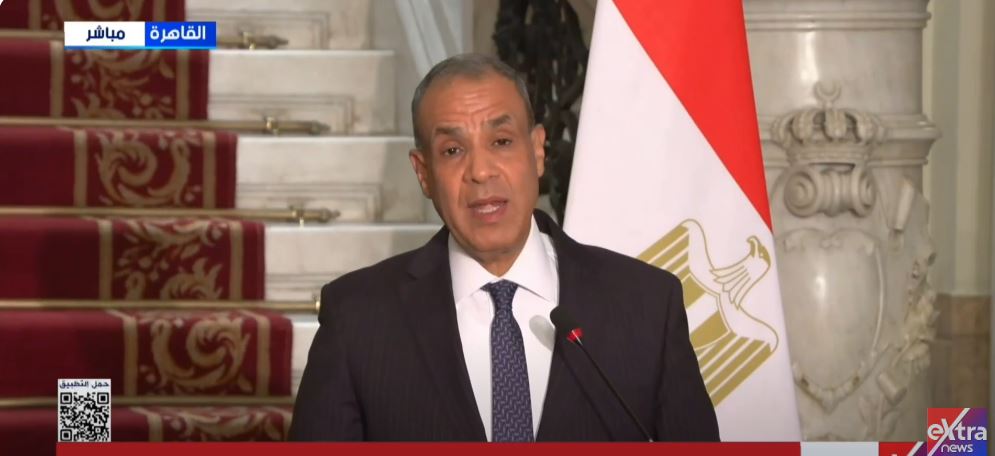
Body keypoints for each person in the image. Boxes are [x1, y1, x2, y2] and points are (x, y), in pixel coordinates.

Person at [289, 53, 719, 442]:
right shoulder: (358, 319)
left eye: (501, 141)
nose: (480, 171)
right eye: (452, 150)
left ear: (537, 151)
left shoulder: (646, 305)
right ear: (423, 173)